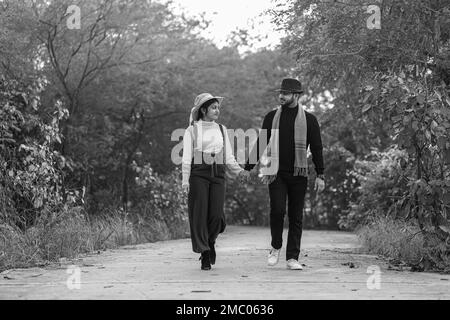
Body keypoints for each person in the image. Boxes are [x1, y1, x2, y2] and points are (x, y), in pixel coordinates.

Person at [245, 78, 325, 270]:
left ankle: (292, 258)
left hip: (299, 174)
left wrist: (321, 175)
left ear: (296, 96)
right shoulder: (271, 117)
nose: (281, 96)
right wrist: (248, 167)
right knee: (278, 210)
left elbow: (317, 148)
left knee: (296, 216)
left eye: (286, 93)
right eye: (280, 93)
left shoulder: (310, 120)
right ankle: (275, 246)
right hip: (276, 173)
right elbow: (261, 142)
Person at [182, 93, 250, 270]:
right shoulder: (192, 130)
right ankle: (205, 253)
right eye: (213, 107)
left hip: (218, 173)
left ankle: (210, 241)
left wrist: (239, 171)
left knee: (216, 215)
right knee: (200, 213)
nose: (217, 110)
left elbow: (228, 156)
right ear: (203, 110)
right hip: (198, 174)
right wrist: (185, 181)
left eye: (218, 107)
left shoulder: (221, 129)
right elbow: (187, 159)